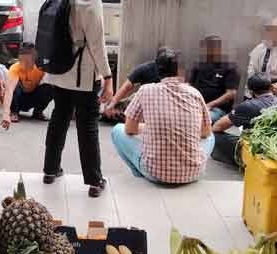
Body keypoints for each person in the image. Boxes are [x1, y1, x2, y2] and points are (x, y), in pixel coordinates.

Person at [42, 0, 113, 198]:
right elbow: (96, 43)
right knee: (87, 126)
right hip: (83, 75)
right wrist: (107, 77)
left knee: (59, 119)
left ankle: (50, 171)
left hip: (58, 71)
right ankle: (94, 181)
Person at [110, 49, 213, 184]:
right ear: (181, 71)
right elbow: (205, 132)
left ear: (158, 71)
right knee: (211, 137)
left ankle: (140, 173)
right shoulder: (195, 93)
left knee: (117, 130)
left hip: (155, 173)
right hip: (194, 174)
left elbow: (129, 129)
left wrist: (151, 128)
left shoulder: (145, 90)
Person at [210, 73, 277, 166]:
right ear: (272, 87)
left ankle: (242, 162)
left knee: (214, 134)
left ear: (250, 91)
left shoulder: (248, 106)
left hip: (257, 150)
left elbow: (218, 126)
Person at [190, 35, 241, 122]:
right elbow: (191, 86)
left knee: (200, 120)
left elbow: (231, 93)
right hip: (196, 105)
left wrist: (209, 105)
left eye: (211, 48)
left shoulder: (230, 67)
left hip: (217, 109)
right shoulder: (198, 65)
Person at [102, 52, 164, 120]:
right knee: (131, 99)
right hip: (145, 99)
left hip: (159, 104)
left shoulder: (173, 75)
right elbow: (126, 87)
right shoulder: (144, 69)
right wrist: (112, 104)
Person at [1, 42, 52, 125]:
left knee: (49, 87)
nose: (25, 65)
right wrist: (6, 114)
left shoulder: (41, 68)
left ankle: (37, 112)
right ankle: (14, 112)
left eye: (28, 62)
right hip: (17, 99)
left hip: (31, 97)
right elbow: (9, 91)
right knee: (15, 86)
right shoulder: (15, 68)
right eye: (22, 61)